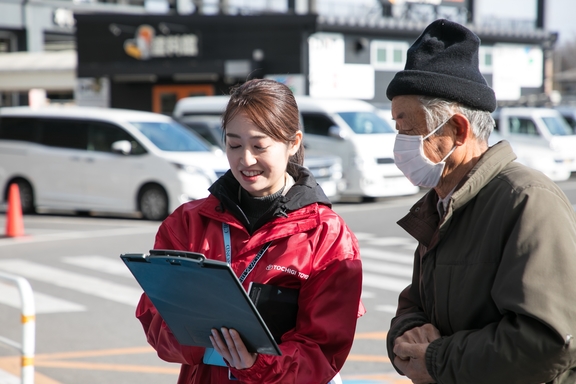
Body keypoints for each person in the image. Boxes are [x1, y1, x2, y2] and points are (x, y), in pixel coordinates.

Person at [385, 19, 576, 384]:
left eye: (408, 128)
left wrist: (438, 359)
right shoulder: (442, 203)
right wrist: (405, 338)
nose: (399, 144)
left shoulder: (526, 200)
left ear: (457, 130)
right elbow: (414, 304)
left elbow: (548, 340)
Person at [136, 78, 364, 384]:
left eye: (259, 146)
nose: (245, 159)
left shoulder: (327, 235)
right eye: (234, 144)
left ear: (293, 143)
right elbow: (154, 314)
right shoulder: (187, 223)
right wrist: (199, 337)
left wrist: (259, 364)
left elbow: (323, 348)